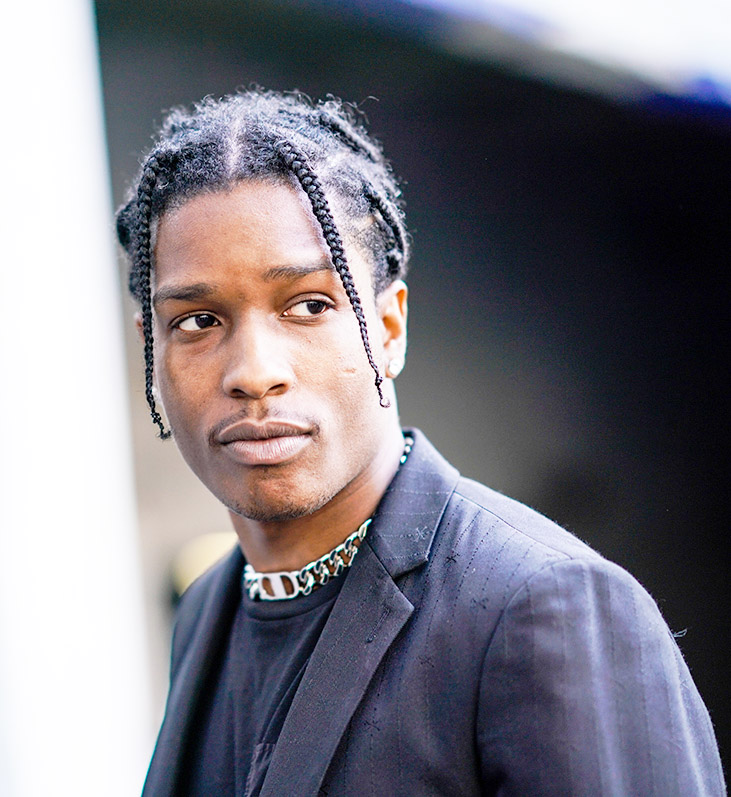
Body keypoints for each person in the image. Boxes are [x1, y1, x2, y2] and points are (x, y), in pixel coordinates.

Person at [116, 90, 724, 796]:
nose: (254, 373)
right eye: (197, 320)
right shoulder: (209, 609)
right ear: (151, 350)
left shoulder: (537, 604)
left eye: (309, 305)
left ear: (389, 326)